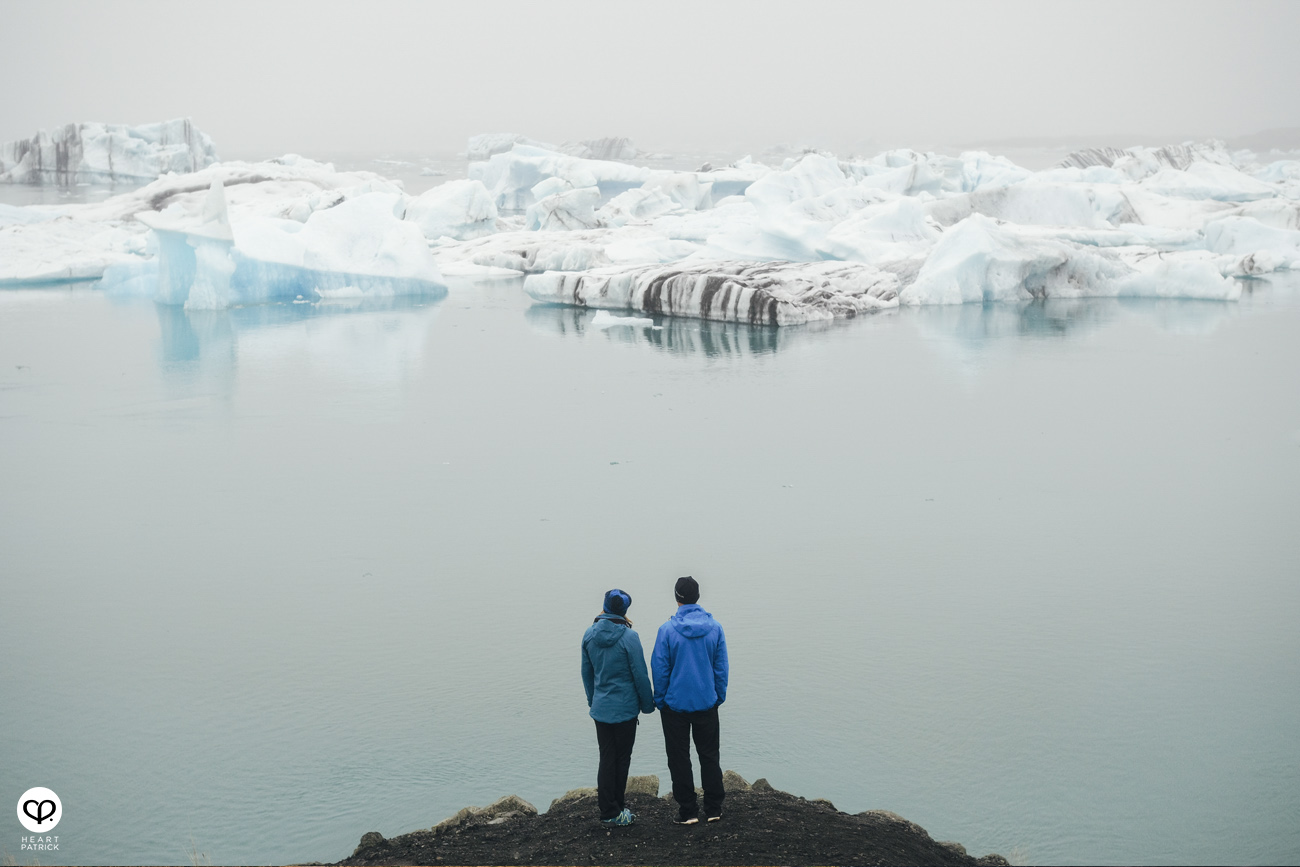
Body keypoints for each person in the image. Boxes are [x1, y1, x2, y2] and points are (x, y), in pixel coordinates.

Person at [651, 575, 729, 825]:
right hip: (707, 702)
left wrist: (660, 700)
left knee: (679, 758)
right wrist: (718, 696)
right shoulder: (715, 628)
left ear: (677, 598)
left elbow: (660, 669)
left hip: (675, 706)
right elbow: (721, 667)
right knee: (709, 756)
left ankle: (688, 811)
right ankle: (714, 808)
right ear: (698, 596)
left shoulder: (666, 630)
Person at [581, 588, 655, 826]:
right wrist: (647, 705)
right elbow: (640, 675)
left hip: (601, 709)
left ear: (604, 607)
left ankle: (608, 810)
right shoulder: (630, 637)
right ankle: (616, 810)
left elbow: (587, 674)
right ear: (624, 610)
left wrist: (593, 701)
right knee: (622, 759)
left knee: (606, 757)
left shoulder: (589, 635)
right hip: (625, 710)